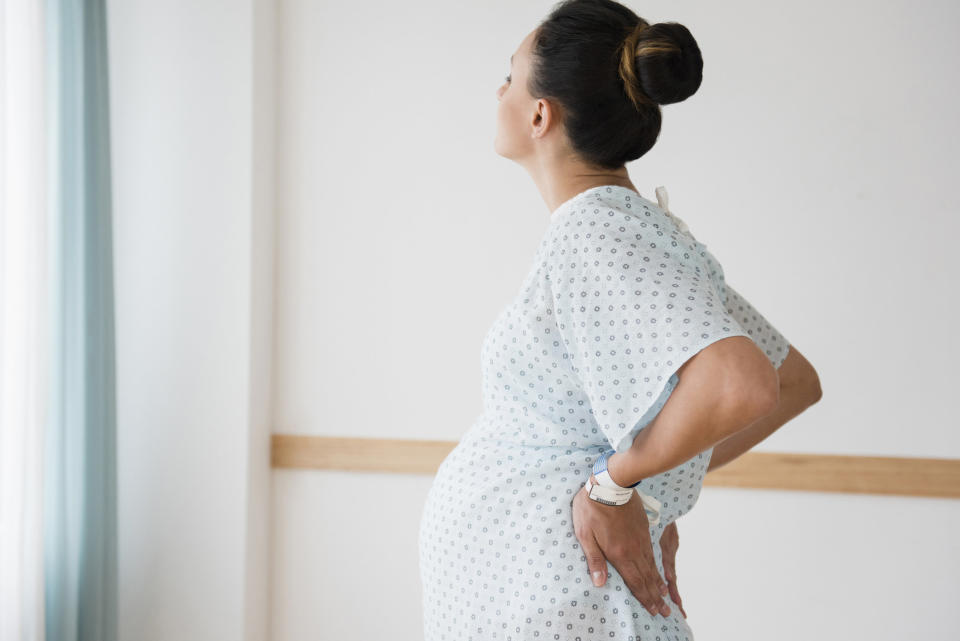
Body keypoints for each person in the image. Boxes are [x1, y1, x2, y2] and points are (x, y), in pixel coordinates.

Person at [418, 1, 823, 639]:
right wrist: (650, 491)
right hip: (546, 587)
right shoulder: (636, 232)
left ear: (539, 113)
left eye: (512, 74)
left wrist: (619, 486)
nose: (498, 89)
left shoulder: (596, 229)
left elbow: (745, 382)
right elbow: (793, 380)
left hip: (554, 593)